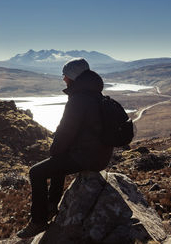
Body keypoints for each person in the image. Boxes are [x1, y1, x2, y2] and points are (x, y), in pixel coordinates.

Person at [17, 58, 114, 239]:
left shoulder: (78, 100)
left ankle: (38, 221)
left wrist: (54, 151)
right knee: (58, 161)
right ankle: (52, 206)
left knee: (36, 172)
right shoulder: (95, 95)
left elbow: (66, 132)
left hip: (88, 158)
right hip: (100, 156)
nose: (63, 79)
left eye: (66, 75)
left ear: (73, 77)